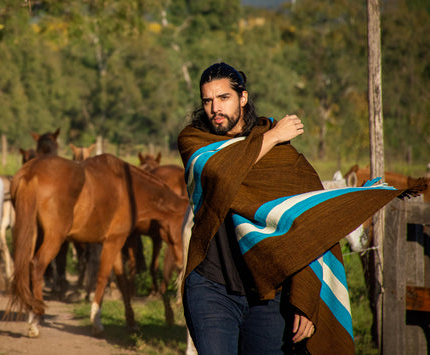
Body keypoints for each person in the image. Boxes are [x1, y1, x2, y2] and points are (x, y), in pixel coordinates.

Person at [177, 62, 419, 354]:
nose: (215, 108)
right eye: (207, 100)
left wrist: (305, 299)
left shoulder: (282, 157)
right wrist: (274, 135)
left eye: (223, 98)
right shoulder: (195, 141)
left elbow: (310, 225)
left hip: (269, 295)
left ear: (243, 98)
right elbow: (219, 173)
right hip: (211, 287)